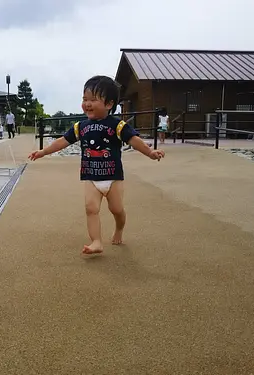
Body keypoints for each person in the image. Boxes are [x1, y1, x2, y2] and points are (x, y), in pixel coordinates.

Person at [28, 75, 165, 255]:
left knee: (116, 209)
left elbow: (134, 140)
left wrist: (150, 152)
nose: (87, 104)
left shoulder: (117, 125)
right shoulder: (81, 126)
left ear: (109, 104)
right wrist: (43, 152)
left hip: (113, 177)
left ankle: (119, 228)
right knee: (91, 209)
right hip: (91, 177)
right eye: (85, 99)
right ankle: (96, 241)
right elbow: (63, 141)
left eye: (93, 99)